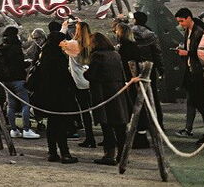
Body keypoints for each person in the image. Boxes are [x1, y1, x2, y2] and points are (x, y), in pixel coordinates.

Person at [30, 26, 79, 163]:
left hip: (47, 96)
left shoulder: (44, 54)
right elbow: (64, 77)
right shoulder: (56, 57)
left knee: (52, 125)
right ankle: (65, 153)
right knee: (60, 125)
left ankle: (52, 152)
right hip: (59, 96)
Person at [86, 32, 132, 165]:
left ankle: (109, 155)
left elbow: (92, 75)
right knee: (120, 126)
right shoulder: (116, 55)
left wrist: (85, 72)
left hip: (103, 93)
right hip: (118, 92)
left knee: (107, 126)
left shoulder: (97, 56)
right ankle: (123, 155)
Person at [175, 7, 204, 145]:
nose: (180, 24)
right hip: (192, 72)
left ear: (188, 18)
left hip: (200, 74)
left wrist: (187, 53)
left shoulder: (199, 32)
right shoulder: (189, 31)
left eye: (181, 21)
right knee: (197, 102)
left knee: (203, 103)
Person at [0, 26, 39, 139]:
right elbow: (19, 64)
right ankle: (26, 129)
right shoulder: (16, 48)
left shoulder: (2, 48)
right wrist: (27, 63)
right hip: (18, 79)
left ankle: (14, 129)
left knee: (11, 105)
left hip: (6, 80)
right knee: (25, 104)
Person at [113, 21, 149, 148]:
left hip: (130, 81)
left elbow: (129, 65)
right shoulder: (132, 45)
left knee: (133, 107)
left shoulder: (125, 47)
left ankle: (139, 137)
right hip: (134, 80)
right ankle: (140, 135)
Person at [62, 20, 96, 148]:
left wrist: (64, 28)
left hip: (78, 80)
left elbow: (59, 43)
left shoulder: (73, 44)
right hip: (89, 77)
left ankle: (89, 136)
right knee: (92, 108)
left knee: (84, 110)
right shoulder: (90, 43)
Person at [132, 11, 164, 124]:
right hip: (149, 67)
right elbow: (157, 53)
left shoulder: (130, 33)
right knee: (153, 95)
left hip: (134, 68)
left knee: (136, 96)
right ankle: (158, 121)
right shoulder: (151, 34)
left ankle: (140, 123)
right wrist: (161, 69)